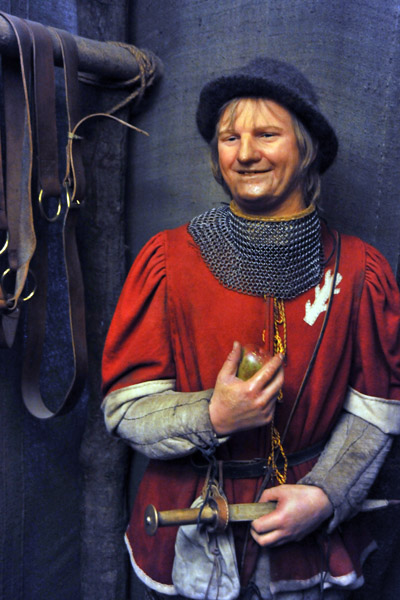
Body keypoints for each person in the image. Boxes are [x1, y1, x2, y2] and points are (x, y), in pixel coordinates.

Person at [101, 57, 400, 600]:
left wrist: (326, 495)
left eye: (267, 134)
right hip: (189, 524)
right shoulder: (168, 262)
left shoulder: (360, 272)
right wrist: (211, 415)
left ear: (305, 148)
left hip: (303, 537)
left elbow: (375, 412)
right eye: (228, 137)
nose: (244, 153)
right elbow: (125, 408)